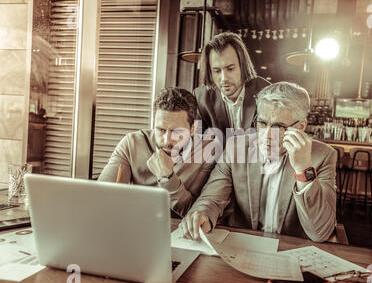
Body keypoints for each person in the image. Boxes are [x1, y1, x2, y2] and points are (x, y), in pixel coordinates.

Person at [179, 82, 337, 242]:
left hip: (290, 250)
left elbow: (320, 232)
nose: (267, 135)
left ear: (300, 127)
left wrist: (303, 169)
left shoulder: (322, 156)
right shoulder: (236, 147)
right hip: (244, 246)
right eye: (262, 123)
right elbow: (212, 198)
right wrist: (202, 214)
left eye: (279, 126)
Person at [98, 87, 217, 217]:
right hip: (135, 224)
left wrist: (167, 178)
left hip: (179, 232)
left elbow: (194, 213)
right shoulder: (132, 143)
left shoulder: (208, 153)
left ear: (193, 129)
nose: (167, 140)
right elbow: (101, 197)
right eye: (161, 130)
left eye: (177, 132)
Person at [194, 32, 270, 136]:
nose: (224, 78)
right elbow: (196, 143)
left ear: (243, 65)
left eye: (230, 69)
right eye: (217, 71)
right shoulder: (201, 98)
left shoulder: (267, 93)